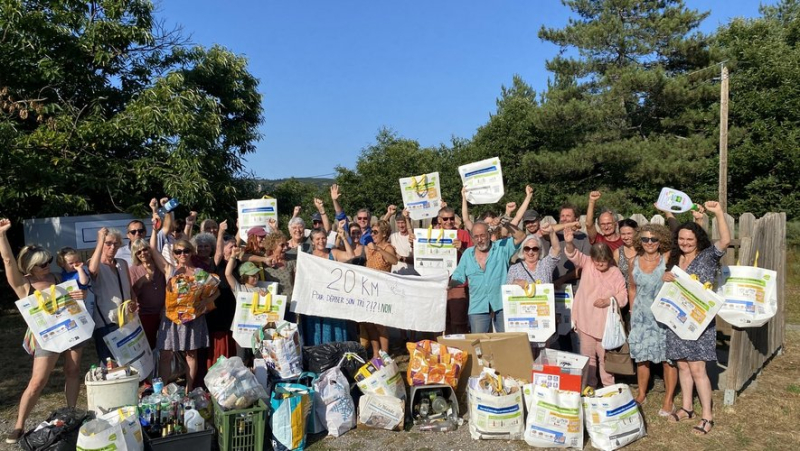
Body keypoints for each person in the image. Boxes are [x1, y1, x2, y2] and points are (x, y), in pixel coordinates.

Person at [0, 219, 88, 444]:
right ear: (30, 267)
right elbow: (8, 260)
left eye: (48, 260)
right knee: (38, 381)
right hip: (47, 336)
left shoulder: (57, 277)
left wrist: (80, 296)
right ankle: (19, 425)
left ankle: (70, 414)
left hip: (71, 328)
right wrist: (2, 234)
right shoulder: (23, 284)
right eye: (42, 263)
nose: (48, 265)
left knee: (73, 370)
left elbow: (77, 293)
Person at [664, 201, 730, 436]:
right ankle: (687, 408)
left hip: (699, 322)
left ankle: (707, 417)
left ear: (698, 239)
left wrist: (719, 213)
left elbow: (724, 241)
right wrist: (666, 277)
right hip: (676, 320)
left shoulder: (707, 257)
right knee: (682, 364)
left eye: (689, 239)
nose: (685, 243)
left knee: (697, 369)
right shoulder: (675, 258)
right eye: (681, 239)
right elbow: (669, 280)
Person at [564, 226, 628, 389]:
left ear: (609, 259)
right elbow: (573, 255)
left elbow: (623, 296)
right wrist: (569, 242)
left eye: (603, 260)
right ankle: (589, 387)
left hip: (605, 325)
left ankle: (609, 387)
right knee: (587, 357)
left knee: (605, 358)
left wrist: (609, 301)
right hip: (586, 320)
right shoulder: (588, 263)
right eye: (597, 260)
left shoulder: (615, 273)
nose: (600, 263)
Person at [154, 238, 218, 391]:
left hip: (192, 318)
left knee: (191, 355)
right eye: (178, 251)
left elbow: (217, 291)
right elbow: (152, 249)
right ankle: (162, 391)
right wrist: (155, 229)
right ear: (174, 254)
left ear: (191, 252)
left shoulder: (199, 273)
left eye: (186, 251)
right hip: (171, 319)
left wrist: (206, 301)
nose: (182, 254)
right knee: (165, 354)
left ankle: (189, 389)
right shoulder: (170, 270)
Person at [627, 224, 677, 413]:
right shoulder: (634, 261)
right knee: (642, 358)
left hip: (663, 317)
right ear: (640, 240)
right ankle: (641, 393)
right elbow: (632, 288)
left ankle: (668, 399)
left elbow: (688, 243)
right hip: (641, 317)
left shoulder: (667, 259)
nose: (649, 243)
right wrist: (632, 312)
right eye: (645, 239)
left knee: (667, 359)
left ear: (661, 240)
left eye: (654, 239)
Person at [450, 218, 525, 333]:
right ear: (472, 238)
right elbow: (458, 276)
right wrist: (448, 283)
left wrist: (507, 225)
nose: (480, 240)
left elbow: (521, 236)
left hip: (501, 304)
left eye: (482, 235)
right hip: (478, 306)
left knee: (506, 341)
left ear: (489, 235)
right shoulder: (467, 254)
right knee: (479, 344)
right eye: (476, 237)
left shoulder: (501, 247)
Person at [88, 227, 137, 363]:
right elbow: (92, 269)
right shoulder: (95, 265)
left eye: (116, 244)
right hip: (106, 320)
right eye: (108, 243)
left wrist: (133, 300)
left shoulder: (122, 263)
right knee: (109, 362)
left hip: (127, 318)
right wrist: (100, 240)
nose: (112, 247)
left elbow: (129, 287)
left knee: (129, 359)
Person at [303, 225, 357, 346]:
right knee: (317, 328)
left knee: (334, 327)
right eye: (317, 239)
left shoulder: (333, 253)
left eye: (323, 238)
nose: (321, 241)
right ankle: (320, 357)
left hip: (333, 300)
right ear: (312, 241)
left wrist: (343, 238)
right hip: (316, 300)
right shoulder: (308, 257)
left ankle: (337, 355)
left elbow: (351, 256)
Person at [363, 220, 398, 358]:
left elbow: (394, 261)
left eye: (376, 232)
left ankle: (385, 354)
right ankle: (376, 353)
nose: (373, 234)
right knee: (369, 323)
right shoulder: (369, 248)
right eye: (372, 232)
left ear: (384, 234)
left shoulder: (388, 248)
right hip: (368, 289)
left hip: (381, 291)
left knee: (380, 324)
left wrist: (378, 249)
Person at [438, 203, 474, 334]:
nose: (449, 221)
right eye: (445, 219)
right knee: (441, 321)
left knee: (459, 322)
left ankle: (460, 350)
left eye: (451, 218)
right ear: (439, 220)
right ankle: (444, 350)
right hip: (438, 283)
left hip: (458, 284)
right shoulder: (432, 234)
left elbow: (473, 258)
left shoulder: (463, 234)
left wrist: (462, 248)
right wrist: (415, 241)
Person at [128, 238, 167, 350]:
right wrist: (141, 281)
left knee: (166, 347)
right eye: (138, 252)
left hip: (164, 312)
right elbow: (132, 293)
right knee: (149, 347)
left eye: (144, 249)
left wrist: (165, 307)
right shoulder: (133, 270)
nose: (142, 253)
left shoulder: (159, 266)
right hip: (145, 314)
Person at [56, 247, 93, 317]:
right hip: (69, 304)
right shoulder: (63, 274)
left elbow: (84, 282)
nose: (75, 265)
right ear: (62, 264)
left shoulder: (79, 272)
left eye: (77, 261)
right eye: (71, 263)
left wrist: (80, 270)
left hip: (82, 303)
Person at [389, 209, 417, 275]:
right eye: (398, 223)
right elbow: (379, 231)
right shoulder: (393, 237)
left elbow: (416, 260)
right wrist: (388, 214)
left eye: (403, 222)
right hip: (396, 274)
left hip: (411, 274)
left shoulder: (413, 237)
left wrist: (402, 258)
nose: (401, 226)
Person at [613, 218, 639, 285]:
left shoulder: (644, 250)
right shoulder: (617, 253)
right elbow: (614, 276)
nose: (626, 237)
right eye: (623, 234)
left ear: (636, 232)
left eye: (629, 233)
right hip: (625, 292)